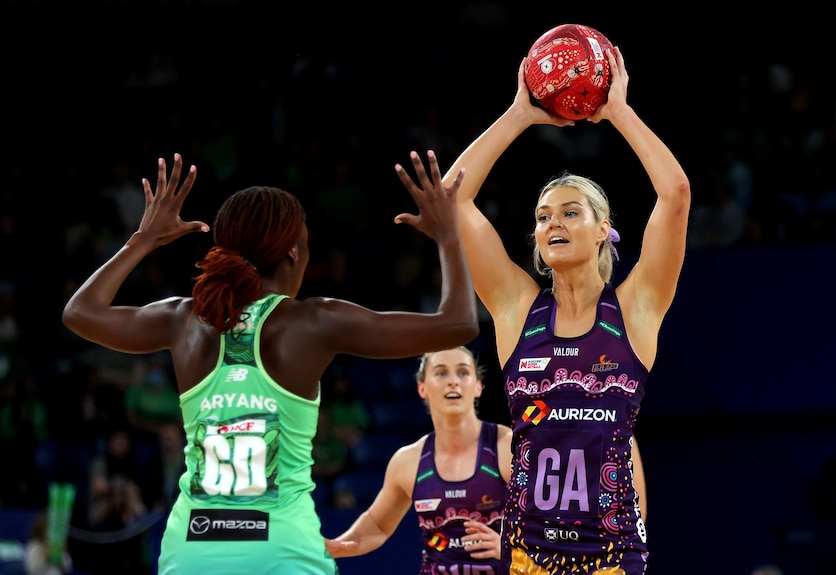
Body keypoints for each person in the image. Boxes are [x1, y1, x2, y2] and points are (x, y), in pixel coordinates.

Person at [61, 150, 479, 575]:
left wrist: (143, 239)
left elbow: (80, 313)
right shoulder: (316, 321)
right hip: (280, 551)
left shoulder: (183, 319)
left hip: (191, 549)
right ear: (295, 252)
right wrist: (447, 235)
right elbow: (459, 324)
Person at [432, 46, 691, 574]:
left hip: (613, 559)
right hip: (527, 556)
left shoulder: (636, 308)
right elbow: (451, 197)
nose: (554, 223)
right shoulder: (516, 307)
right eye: (544, 215)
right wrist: (521, 113)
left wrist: (619, 111)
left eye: (572, 212)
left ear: (603, 230)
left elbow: (675, 193)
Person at [325, 345, 512, 574]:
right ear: (422, 388)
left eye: (463, 372)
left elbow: (556, 521)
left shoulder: (507, 447)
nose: (453, 381)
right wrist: (336, 547)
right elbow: (377, 525)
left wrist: (512, 547)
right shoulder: (408, 461)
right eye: (441, 373)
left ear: (478, 387)